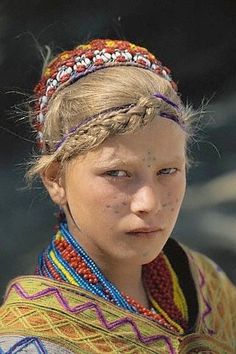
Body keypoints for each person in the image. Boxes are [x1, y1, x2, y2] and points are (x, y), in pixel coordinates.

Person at [0, 39, 235, 353]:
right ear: (56, 179)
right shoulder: (30, 342)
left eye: (167, 171)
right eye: (117, 173)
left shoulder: (206, 286)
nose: (148, 203)